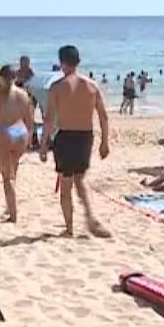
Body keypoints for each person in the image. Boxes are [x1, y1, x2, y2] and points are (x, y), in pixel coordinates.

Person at [39, 45, 111, 238]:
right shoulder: (92, 86)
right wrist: (105, 142)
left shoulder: (57, 88)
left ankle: (69, 228)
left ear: (62, 63)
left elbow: (49, 120)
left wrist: (44, 144)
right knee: (80, 179)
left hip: (65, 137)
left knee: (66, 184)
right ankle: (89, 216)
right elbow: (103, 117)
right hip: (85, 137)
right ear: (78, 62)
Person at [0, 64, 34, 223]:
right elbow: (29, 120)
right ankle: (10, 206)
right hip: (20, 132)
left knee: (7, 177)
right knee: (13, 171)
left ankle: (13, 214)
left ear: (2, 78)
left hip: (6, 132)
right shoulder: (23, 94)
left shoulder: (0, 94)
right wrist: (29, 138)